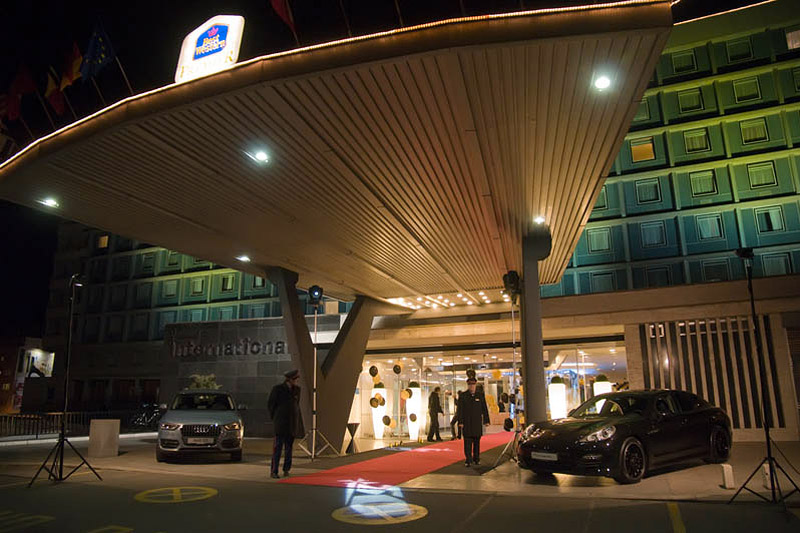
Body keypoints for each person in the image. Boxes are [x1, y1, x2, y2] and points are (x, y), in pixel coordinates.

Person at [268, 369, 305, 478]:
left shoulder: (297, 390)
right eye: (295, 379)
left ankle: (286, 469)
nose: (296, 381)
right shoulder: (278, 389)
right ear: (289, 379)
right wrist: (275, 418)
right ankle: (274, 471)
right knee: (277, 448)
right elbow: (271, 405)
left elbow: (296, 405)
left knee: (289, 449)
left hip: (291, 423)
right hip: (280, 423)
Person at [457, 377, 489, 466]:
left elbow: (484, 408)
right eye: (470, 384)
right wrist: (460, 422)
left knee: (476, 442)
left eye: (473, 384)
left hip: (477, 423)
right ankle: (468, 460)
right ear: (467, 385)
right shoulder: (463, 396)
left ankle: (476, 459)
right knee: (467, 443)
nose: (471, 386)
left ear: (475, 385)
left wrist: (486, 420)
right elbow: (460, 410)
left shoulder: (480, 395)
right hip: (467, 423)